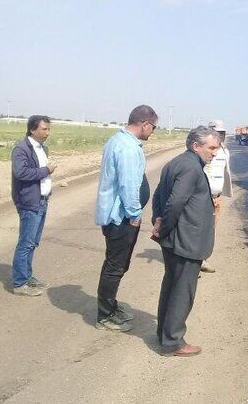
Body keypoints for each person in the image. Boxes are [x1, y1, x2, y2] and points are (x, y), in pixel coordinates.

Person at [151, 126, 221, 357]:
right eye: (211, 148)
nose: (214, 153)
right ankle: (173, 342)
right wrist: (164, 227)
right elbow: (175, 202)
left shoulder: (177, 163)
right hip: (186, 241)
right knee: (183, 291)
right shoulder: (191, 168)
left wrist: (158, 220)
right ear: (196, 145)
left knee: (171, 286)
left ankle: (164, 332)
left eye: (216, 148)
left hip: (175, 239)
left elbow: (159, 196)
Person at [94, 105, 158, 331]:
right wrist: (134, 214)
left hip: (115, 216)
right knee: (115, 265)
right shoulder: (128, 148)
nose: (152, 133)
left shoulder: (117, 141)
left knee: (117, 263)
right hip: (121, 218)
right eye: (153, 128)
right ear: (145, 124)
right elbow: (129, 185)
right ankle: (105, 315)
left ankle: (110, 305)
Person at [10, 115, 57, 296]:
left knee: (32, 243)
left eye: (48, 129)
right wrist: (46, 170)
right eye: (44, 129)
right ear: (32, 129)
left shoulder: (43, 148)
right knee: (26, 243)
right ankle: (19, 283)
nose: (47, 132)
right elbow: (21, 173)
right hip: (29, 202)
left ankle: (27, 277)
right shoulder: (21, 149)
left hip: (42, 200)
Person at [201, 120, 233, 273]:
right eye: (219, 133)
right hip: (203, 197)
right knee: (201, 228)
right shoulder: (203, 150)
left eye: (223, 133)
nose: (222, 136)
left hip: (217, 197)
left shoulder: (225, 151)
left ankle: (203, 258)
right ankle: (196, 261)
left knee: (211, 229)